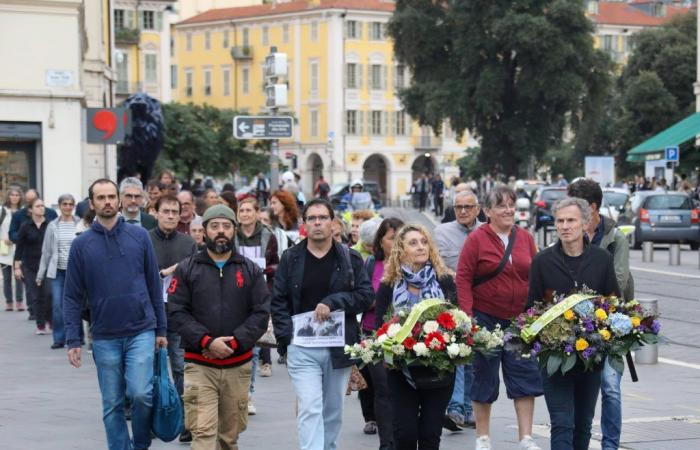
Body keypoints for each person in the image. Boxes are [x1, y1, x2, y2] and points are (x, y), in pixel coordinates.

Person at [63, 178, 167, 450]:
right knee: (112, 404)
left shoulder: (140, 236)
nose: (107, 201)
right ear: (92, 203)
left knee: (142, 394)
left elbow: (154, 286)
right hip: (104, 334)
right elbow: (72, 296)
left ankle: (141, 444)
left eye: (111, 196)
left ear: (119, 200)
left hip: (141, 330)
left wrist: (161, 330)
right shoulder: (81, 245)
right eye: (101, 197)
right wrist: (73, 339)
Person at [271, 198, 373, 450]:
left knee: (332, 410)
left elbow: (366, 296)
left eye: (323, 218)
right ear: (304, 224)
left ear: (333, 223)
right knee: (309, 406)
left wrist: (334, 301)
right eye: (312, 218)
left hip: (338, 347)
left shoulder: (350, 258)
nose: (317, 223)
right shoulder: (291, 258)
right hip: (302, 347)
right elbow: (279, 301)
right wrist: (287, 339)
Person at [167, 204, 270, 449]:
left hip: (238, 365)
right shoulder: (187, 269)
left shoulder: (250, 269)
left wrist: (235, 342)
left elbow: (261, 313)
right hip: (200, 364)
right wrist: (207, 341)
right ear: (204, 232)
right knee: (203, 434)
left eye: (226, 226)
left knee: (228, 438)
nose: (220, 231)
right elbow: (176, 311)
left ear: (234, 230)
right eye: (214, 226)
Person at [527, 197, 620, 450]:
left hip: (591, 357)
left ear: (584, 223)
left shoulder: (601, 259)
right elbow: (531, 309)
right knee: (562, 423)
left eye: (571, 220)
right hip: (554, 358)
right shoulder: (542, 261)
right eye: (560, 221)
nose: (565, 226)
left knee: (584, 424)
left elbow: (613, 302)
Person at [456, 186, 543, 450]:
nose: (508, 210)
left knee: (525, 376)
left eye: (511, 205)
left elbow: (536, 275)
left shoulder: (526, 238)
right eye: (502, 205)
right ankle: (483, 438)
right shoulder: (477, 239)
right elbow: (463, 278)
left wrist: (536, 314)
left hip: (519, 321)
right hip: (486, 318)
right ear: (488, 211)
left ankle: (525, 438)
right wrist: (468, 318)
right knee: (484, 377)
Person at [373, 223, 457, 450]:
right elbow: (379, 328)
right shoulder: (389, 286)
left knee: (430, 435)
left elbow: (457, 323)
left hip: (439, 371)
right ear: (401, 250)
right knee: (405, 435)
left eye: (424, 242)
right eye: (413, 243)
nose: (421, 247)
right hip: (402, 373)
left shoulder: (444, 281)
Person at [567, 179, 632, 450]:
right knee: (577, 389)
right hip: (576, 326)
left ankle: (610, 446)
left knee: (610, 388)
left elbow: (616, 281)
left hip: (612, 323)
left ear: (592, 208)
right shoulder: (570, 232)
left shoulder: (615, 238)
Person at [147, 194, 198, 443]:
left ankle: (182, 419)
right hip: (148, 317)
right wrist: (163, 272)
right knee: (148, 369)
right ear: (155, 212)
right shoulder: (144, 239)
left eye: (174, 212)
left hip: (178, 315)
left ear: (180, 215)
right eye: (165, 211)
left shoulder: (188, 243)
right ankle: (148, 419)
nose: (169, 216)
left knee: (181, 368)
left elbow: (196, 277)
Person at [434, 190, 483, 431]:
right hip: (451, 300)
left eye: (468, 206)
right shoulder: (442, 232)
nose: (463, 211)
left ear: (477, 208)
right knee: (456, 354)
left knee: (472, 356)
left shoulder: (487, 232)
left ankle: (468, 407)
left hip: (481, 302)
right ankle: (455, 408)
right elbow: (436, 262)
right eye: (458, 207)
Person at [357, 217, 402, 447]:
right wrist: (376, 300)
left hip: (406, 338)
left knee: (402, 391)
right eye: (392, 238)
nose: (396, 243)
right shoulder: (370, 264)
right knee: (383, 389)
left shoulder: (413, 265)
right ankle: (387, 443)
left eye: (400, 238)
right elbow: (361, 298)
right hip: (374, 333)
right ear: (381, 241)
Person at [235, 197, 279, 393]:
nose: (244, 214)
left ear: (256, 213)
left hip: (259, 294)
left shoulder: (268, 236)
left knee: (252, 347)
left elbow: (277, 265)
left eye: (248, 210)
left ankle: (248, 393)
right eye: (241, 210)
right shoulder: (231, 235)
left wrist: (264, 269)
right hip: (234, 293)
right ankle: (238, 392)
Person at [37, 194, 80, 349]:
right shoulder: (53, 225)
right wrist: (40, 274)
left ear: (73, 206)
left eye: (70, 204)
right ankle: (59, 338)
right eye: (64, 204)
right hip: (58, 271)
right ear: (60, 206)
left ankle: (77, 336)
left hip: (76, 272)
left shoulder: (79, 224)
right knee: (57, 305)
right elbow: (46, 251)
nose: (68, 207)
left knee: (77, 304)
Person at [14, 197, 52, 333]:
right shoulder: (25, 226)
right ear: (30, 210)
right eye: (38, 206)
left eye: (43, 205)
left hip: (47, 266)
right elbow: (19, 248)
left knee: (49, 294)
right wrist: (17, 267)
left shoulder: (50, 225)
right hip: (30, 266)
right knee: (36, 296)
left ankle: (50, 320)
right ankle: (40, 325)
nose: (41, 208)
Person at [1, 187, 24, 311]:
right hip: (4, 249)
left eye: (17, 195)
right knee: (6, 278)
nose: (14, 197)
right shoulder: (2, 211)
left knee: (19, 276)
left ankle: (20, 301)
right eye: (12, 195)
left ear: (20, 197)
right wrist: (4, 239)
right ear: (8, 196)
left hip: (18, 247)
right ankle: (9, 302)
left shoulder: (23, 211)